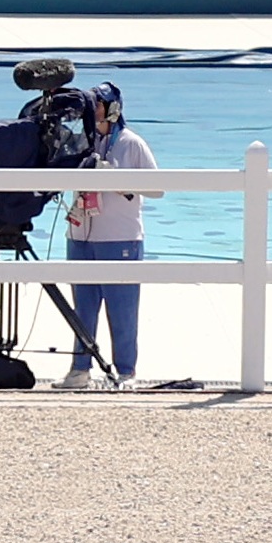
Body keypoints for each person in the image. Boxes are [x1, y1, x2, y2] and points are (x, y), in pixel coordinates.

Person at [68, 84, 152, 384]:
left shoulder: (131, 143)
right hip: (80, 236)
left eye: (99, 104)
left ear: (113, 107)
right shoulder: (82, 141)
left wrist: (122, 182)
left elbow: (158, 187)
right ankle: (80, 370)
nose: (94, 110)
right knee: (81, 310)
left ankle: (125, 371)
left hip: (120, 237)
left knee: (123, 311)